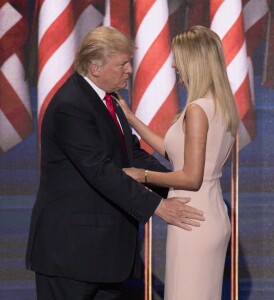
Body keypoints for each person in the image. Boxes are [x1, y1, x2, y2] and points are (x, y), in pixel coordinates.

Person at [25, 26, 205, 300]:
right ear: (95, 68)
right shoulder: (71, 105)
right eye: (122, 64)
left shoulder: (109, 102)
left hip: (103, 256)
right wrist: (159, 207)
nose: (130, 70)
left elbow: (131, 155)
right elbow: (101, 171)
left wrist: (178, 186)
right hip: (71, 254)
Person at [118, 25, 240, 300]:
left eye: (178, 57)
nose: (173, 64)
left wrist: (142, 174)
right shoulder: (219, 104)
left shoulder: (197, 110)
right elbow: (173, 152)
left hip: (192, 219)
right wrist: (132, 118)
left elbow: (191, 176)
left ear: (194, 61)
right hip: (209, 214)